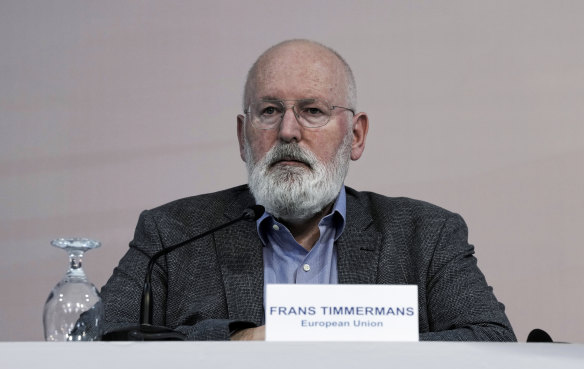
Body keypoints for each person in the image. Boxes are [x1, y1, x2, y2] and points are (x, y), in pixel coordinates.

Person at [100, 39, 516, 341]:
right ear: (244, 136)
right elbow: (106, 341)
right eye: (269, 111)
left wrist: (346, 345)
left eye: (313, 111)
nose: (287, 131)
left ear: (355, 135)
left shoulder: (425, 235)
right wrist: (234, 342)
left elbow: (492, 341)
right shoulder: (170, 234)